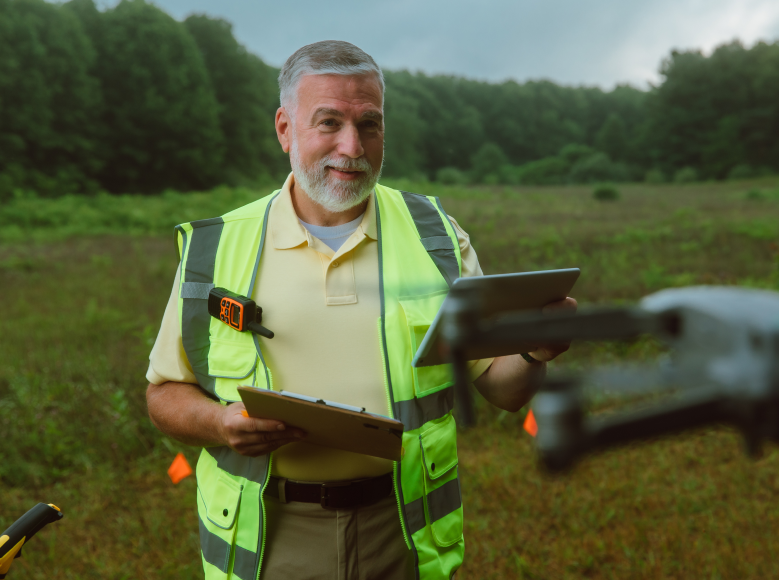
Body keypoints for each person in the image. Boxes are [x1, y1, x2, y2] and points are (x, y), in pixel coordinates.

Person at [145, 40, 577, 580]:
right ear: (284, 129)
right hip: (268, 539)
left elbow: (501, 389)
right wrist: (216, 421)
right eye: (328, 123)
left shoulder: (436, 236)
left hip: (403, 532)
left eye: (369, 125)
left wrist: (535, 351)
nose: (352, 147)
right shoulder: (215, 249)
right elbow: (163, 393)